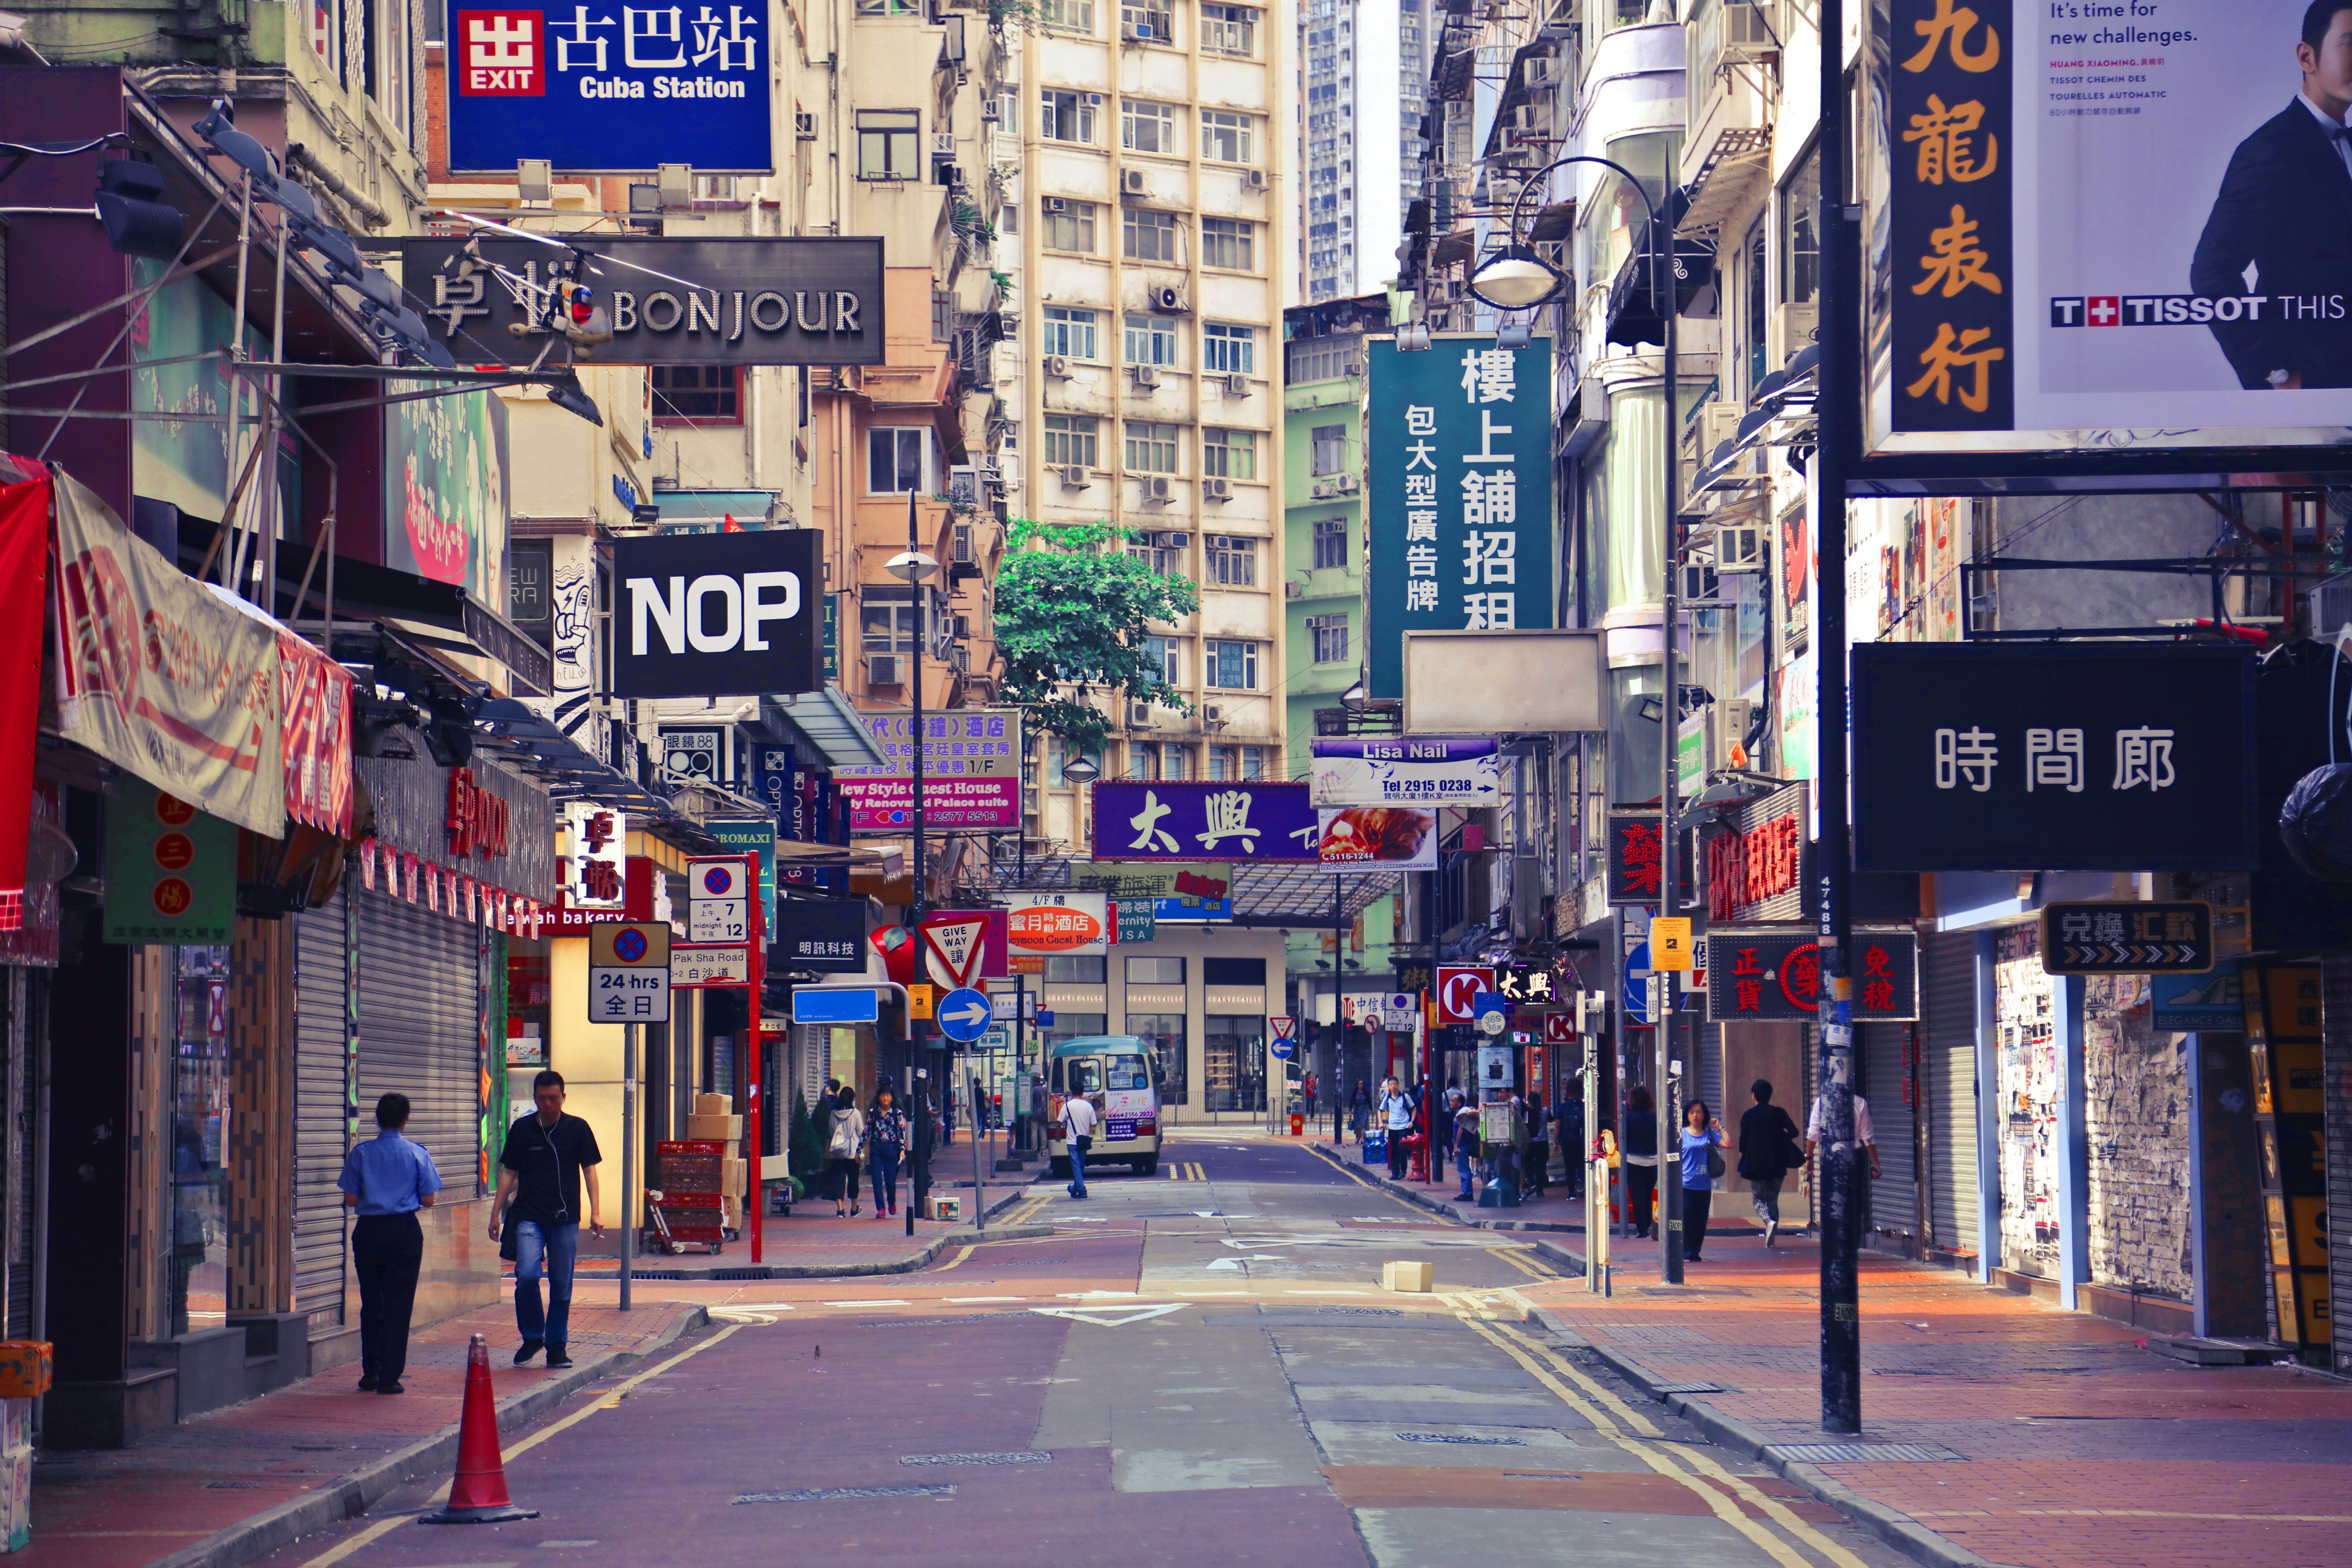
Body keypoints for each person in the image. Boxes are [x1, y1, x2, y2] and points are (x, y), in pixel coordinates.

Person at [2189, 2, 2352, 390]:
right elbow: (2212, 275)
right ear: (2306, 57)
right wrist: (2276, 374)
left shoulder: (2342, 141)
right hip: (2315, 381)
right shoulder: (2273, 149)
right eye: (2350, 44)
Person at [489, 1070, 602, 1370]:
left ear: (564, 1097)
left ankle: (556, 1346)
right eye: (542, 1098)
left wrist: (596, 1211)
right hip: (529, 1216)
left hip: (564, 1218)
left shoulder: (578, 1129)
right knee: (526, 1275)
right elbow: (509, 1173)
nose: (548, 1104)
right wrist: (495, 1213)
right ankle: (532, 1336)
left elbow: (590, 1171)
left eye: (554, 1098)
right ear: (535, 1098)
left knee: (561, 1283)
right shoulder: (522, 1129)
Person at [338, 1092, 442, 1394]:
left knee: (373, 1301)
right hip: (404, 1232)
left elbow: (350, 1199)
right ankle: (390, 1377)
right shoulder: (417, 1153)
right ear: (405, 1121)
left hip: (369, 1231)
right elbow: (429, 1199)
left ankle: (370, 1372)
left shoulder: (361, 1153)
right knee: (399, 1303)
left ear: (378, 1119)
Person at [1736, 1079, 1805, 1247]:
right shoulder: (1779, 1113)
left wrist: (1743, 1156)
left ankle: (1769, 1222)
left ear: (1754, 1095)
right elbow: (1794, 1132)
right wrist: (1780, 1138)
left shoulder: (1748, 1116)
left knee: (1757, 1199)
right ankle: (1772, 1234)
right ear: (1770, 1095)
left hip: (1757, 1165)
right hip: (1778, 1163)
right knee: (1773, 1199)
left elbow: (1743, 1142)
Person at [1806, 1089, 1882, 1235]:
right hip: (1854, 1157)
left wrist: (1809, 1159)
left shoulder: (1822, 1102)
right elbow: (1868, 1137)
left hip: (1831, 1158)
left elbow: (1814, 1133)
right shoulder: (1859, 1103)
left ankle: (1834, 1235)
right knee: (1854, 1199)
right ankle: (1853, 1239)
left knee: (1832, 1198)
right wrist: (1876, 1164)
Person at [1679, 1100, 1724, 1262]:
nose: (1695, 1115)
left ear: (1704, 1114)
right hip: (1686, 1183)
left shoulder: (1709, 1134)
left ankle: (1695, 1251)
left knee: (1701, 1220)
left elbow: (1729, 1144)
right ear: (1687, 1115)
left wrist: (1719, 1127)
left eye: (1698, 1112)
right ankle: (1686, 1250)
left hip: (1704, 1185)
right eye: (1692, 1112)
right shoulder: (1681, 1134)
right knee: (1688, 1216)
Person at [1622, 1086, 1658, 1239]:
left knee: (1638, 1195)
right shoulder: (1654, 1117)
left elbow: (1624, 1138)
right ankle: (1649, 1224)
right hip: (1653, 1160)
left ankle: (1642, 1229)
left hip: (1633, 1160)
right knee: (1649, 1194)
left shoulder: (1628, 1118)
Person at [867, 1086, 909, 1218]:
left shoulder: (897, 1114)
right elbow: (866, 1130)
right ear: (879, 1098)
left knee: (891, 1181)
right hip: (876, 1148)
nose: (886, 1098)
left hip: (892, 1148)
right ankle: (881, 1208)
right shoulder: (873, 1113)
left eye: (888, 1096)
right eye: (883, 1095)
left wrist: (902, 1150)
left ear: (892, 1098)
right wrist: (858, 1150)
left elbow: (902, 1134)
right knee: (877, 1179)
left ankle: (892, 1201)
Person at [827, 1087, 866, 1217]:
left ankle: (840, 1209)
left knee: (839, 1179)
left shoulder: (833, 1114)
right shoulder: (855, 1113)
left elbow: (832, 1132)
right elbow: (861, 1132)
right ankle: (854, 1208)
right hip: (852, 1152)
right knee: (853, 1179)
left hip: (837, 1152)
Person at [1063, 1087, 1100, 1199]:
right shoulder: (1088, 1106)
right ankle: (1080, 1190)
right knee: (1080, 1165)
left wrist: (1058, 1135)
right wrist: (1088, 1131)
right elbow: (1094, 1123)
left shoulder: (1067, 1105)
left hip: (1072, 1141)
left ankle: (1076, 1189)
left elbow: (1060, 1121)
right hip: (1083, 1141)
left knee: (1077, 1166)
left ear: (1073, 1093)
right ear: (1083, 1092)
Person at [1379, 1076, 1415, 1179]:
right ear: (1389, 1086)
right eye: (1391, 1085)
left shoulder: (1405, 1097)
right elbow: (1380, 1111)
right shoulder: (1388, 1098)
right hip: (1392, 1128)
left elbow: (1413, 1109)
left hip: (1404, 1127)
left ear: (1398, 1085)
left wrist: (1412, 1121)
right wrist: (1381, 1122)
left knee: (1402, 1149)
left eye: (1395, 1084)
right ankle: (1395, 1173)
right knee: (1394, 1151)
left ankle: (1403, 1170)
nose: (1393, 1086)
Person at [1450, 1091, 1480, 1200]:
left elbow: (1460, 1129)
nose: (1451, 1103)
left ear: (1459, 1104)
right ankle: (1466, 1192)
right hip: (1463, 1145)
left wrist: (1456, 1146)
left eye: (1453, 1101)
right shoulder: (1459, 1113)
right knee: (1463, 1169)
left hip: (1462, 1145)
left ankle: (1467, 1193)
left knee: (1464, 1170)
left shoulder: (1461, 1113)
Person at [1349, 1080, 1371, 1147]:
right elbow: (1352, 1102)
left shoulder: (1366, 1093)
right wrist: (1350, 1111)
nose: (1361, 1085)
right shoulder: (1355, 1093)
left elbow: (1369, 1101)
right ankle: (1358, 1137)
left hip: (1364, 1110)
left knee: (1364, 1124)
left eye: (1362, 1084)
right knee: (1358, 1125)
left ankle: (1362, 1138)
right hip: (1357, 1110)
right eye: (1360, 1084)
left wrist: (1371, 1110)